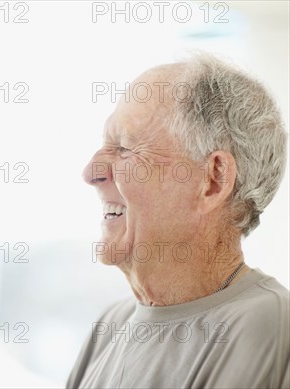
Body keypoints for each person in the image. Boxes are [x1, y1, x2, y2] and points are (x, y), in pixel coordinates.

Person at [69, 54, 289, 388]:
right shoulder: (110, 325)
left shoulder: (267, 326)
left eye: (125, 149)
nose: (91, 173)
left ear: (213, 180)